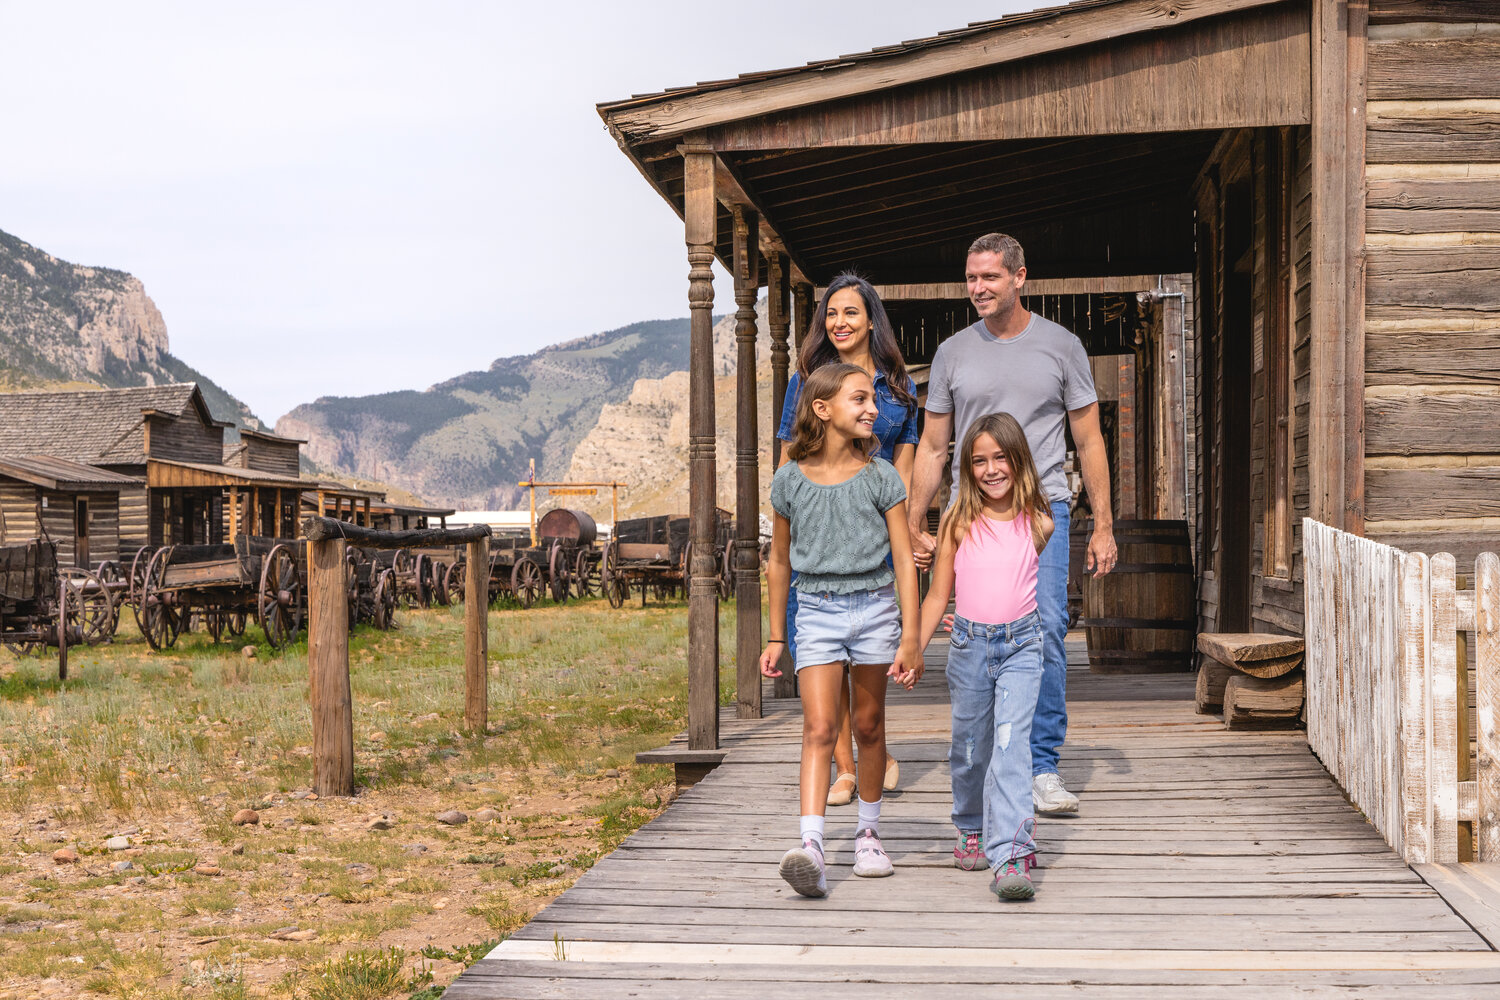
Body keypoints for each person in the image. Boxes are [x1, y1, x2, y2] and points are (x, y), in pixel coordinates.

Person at [909, 233, 1117, 816]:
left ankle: (1041, 766)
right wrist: (915, 521)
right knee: (972, 631)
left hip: (1041, 509)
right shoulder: (952, 352)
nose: (978, 288)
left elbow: (1089, 438)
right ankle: (987, 755)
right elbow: (932, 445)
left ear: (1020, 277)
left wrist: (1102, 525)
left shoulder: (1062, 346)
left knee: (1047, 628)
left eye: (990, 278)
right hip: (970, 512)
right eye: (971, 278)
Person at [760, 363, 922, 898]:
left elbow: (903, 559)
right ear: (823, 409)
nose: (872, 408)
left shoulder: (882, 477)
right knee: (819, 728)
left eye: (873, 399)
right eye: (860, 399)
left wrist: (911, 635)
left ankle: (869, 835)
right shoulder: (788, 480)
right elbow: (780, 562)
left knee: (870, 726)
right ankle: (811, 846)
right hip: (817, 612)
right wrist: (778, 635)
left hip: (875, 609)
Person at [776, 273, 918, 806]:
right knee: (825, 659)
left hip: (877, 532)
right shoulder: (806, 382)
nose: (839, 322)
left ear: (870, 320)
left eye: (850, 313)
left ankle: (873, 746)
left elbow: (903, 468)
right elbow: (790, 459)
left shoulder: (897, 390)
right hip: (819, 535)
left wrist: (911, 527)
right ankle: (842, 768)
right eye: (830, 314)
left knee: (871, 654)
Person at [914, 413, 1053, 900]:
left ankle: (1011, 851)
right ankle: (970, 824)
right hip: (969, 646)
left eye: (1000, 458)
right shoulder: (957, 520)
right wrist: (914, 646)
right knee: (971, 752)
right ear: (967, 468)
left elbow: (1021, 586)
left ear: (1018, 459)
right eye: (979, 461)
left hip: (1022, 646)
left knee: (1012, 747)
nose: (991, 469)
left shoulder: (1039, 520)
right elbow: (937, 596)